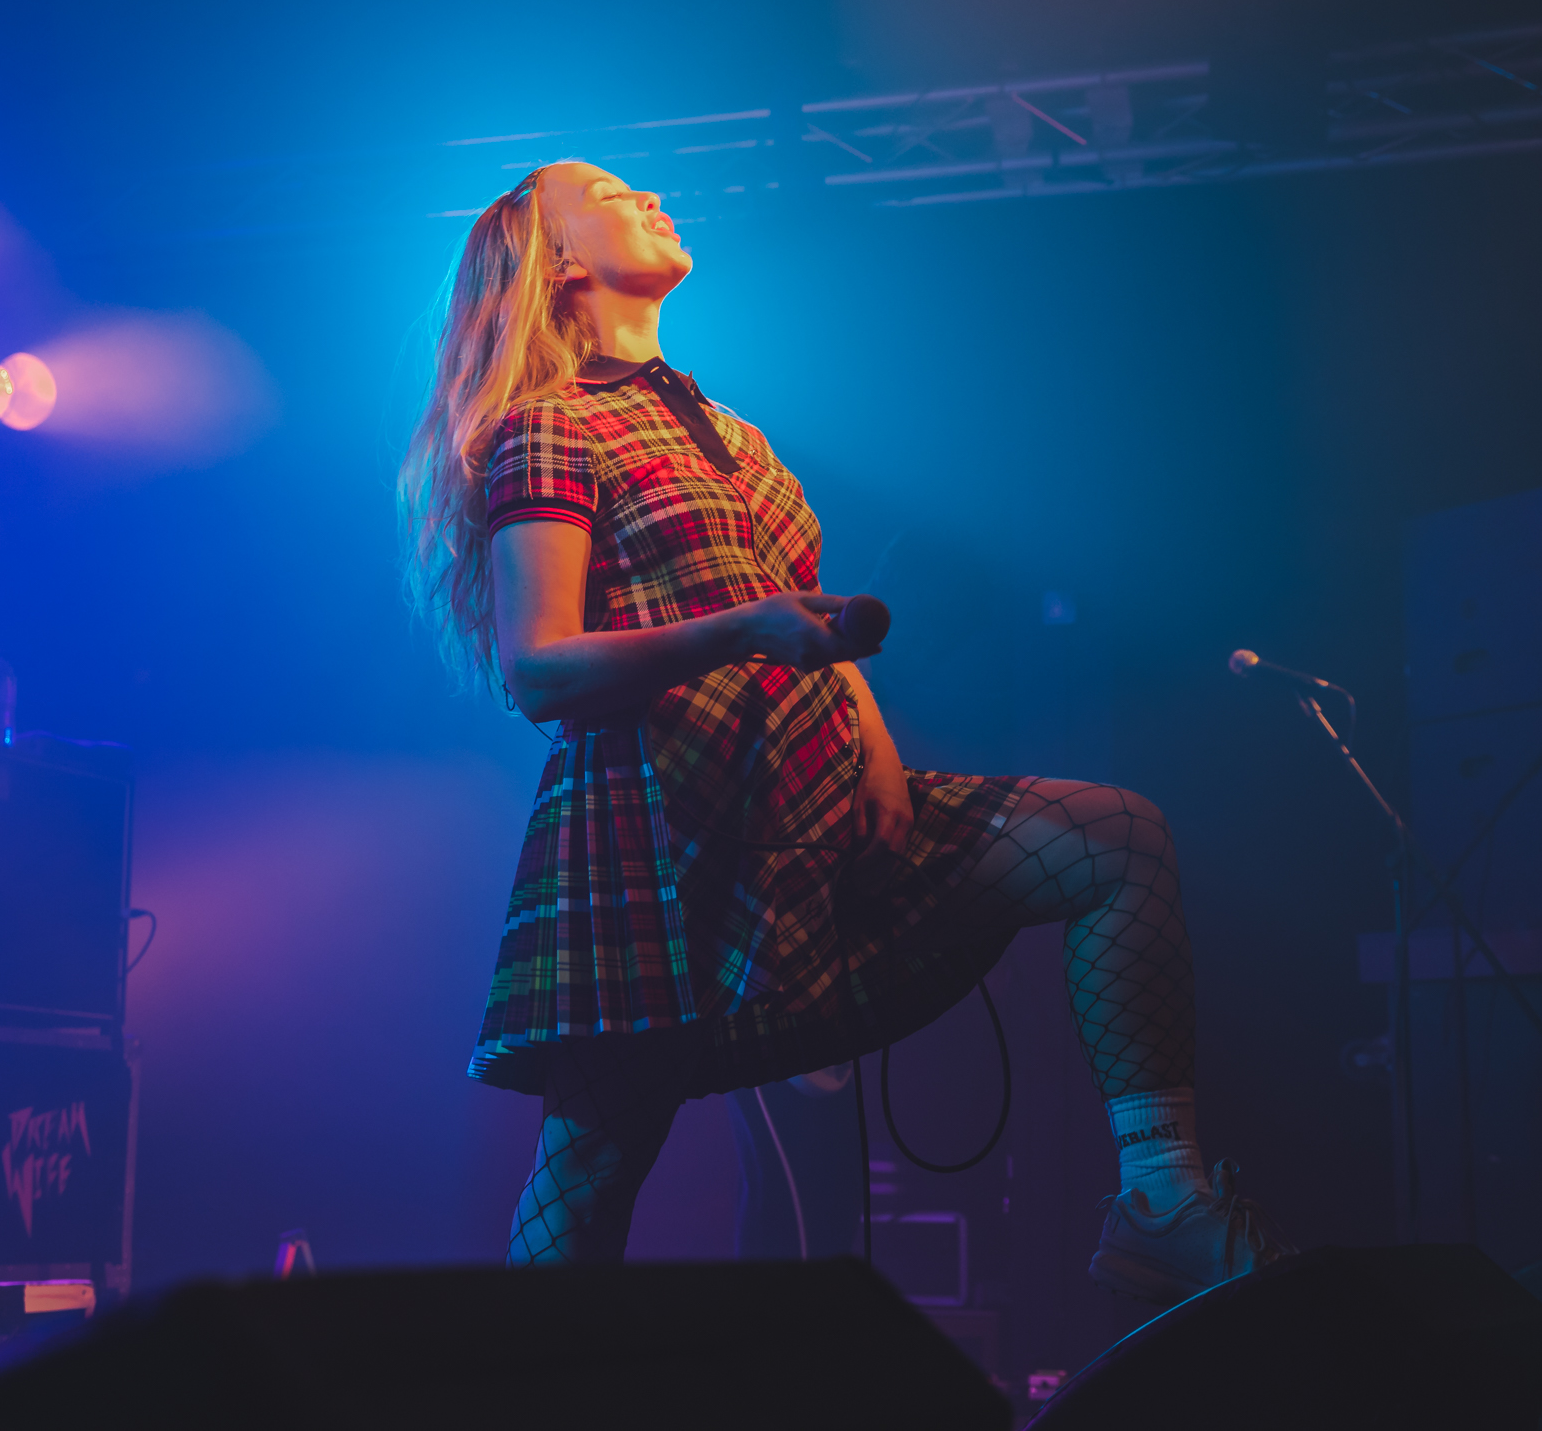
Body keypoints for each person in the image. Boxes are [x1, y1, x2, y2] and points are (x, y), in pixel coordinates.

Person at [398, 161, 1286, 1304]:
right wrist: (744, 629)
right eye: (612, 192)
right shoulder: (547, 429)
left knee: (1114, 836)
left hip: (809, 797)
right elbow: (539, 667)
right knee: (593, 1161)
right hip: (660, 830)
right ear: (559, 260)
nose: (655, 194)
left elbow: (802, 620)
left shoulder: (738, 435)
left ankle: (1163, 1198)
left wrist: (872, 742)